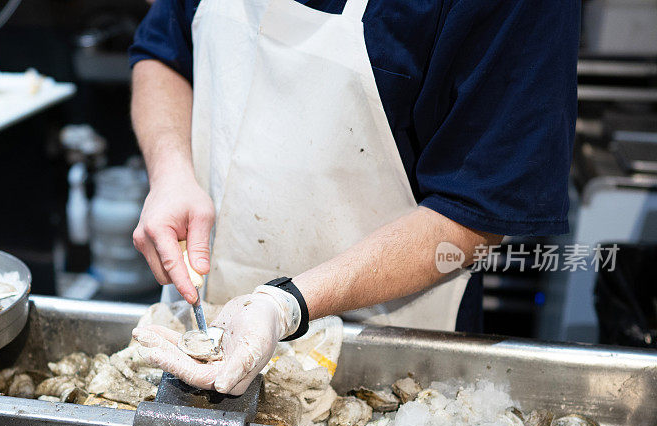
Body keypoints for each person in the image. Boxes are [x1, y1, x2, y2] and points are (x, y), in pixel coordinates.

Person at [128, 0, 579, 395]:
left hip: (388, 366)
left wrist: (284, 304)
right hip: (205, 314)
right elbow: (162, 54)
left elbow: (477, 212)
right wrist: (171, 172)